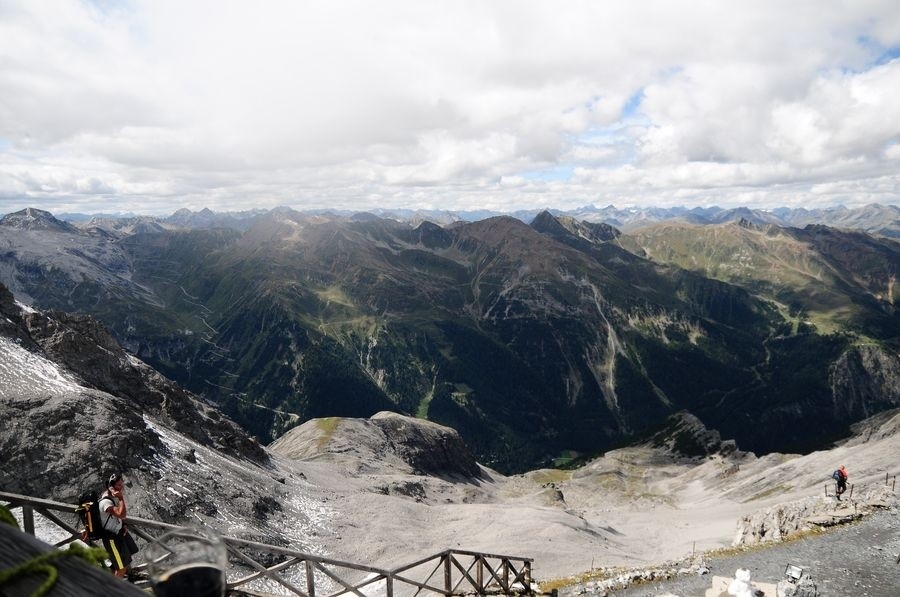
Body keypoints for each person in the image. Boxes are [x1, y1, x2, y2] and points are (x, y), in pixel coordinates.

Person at [98, 472, 139, 578]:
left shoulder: (113, 496)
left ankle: (111, 580)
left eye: (122, 484)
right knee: (121, 567)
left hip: (119, 534)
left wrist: (124, 524)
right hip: (111, 539)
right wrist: (121, 498)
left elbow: (120, 517)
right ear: (111, 486)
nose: (121, 487)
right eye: (118, 485)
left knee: (124, 560)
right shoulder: (106, 502)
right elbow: (121, 514)